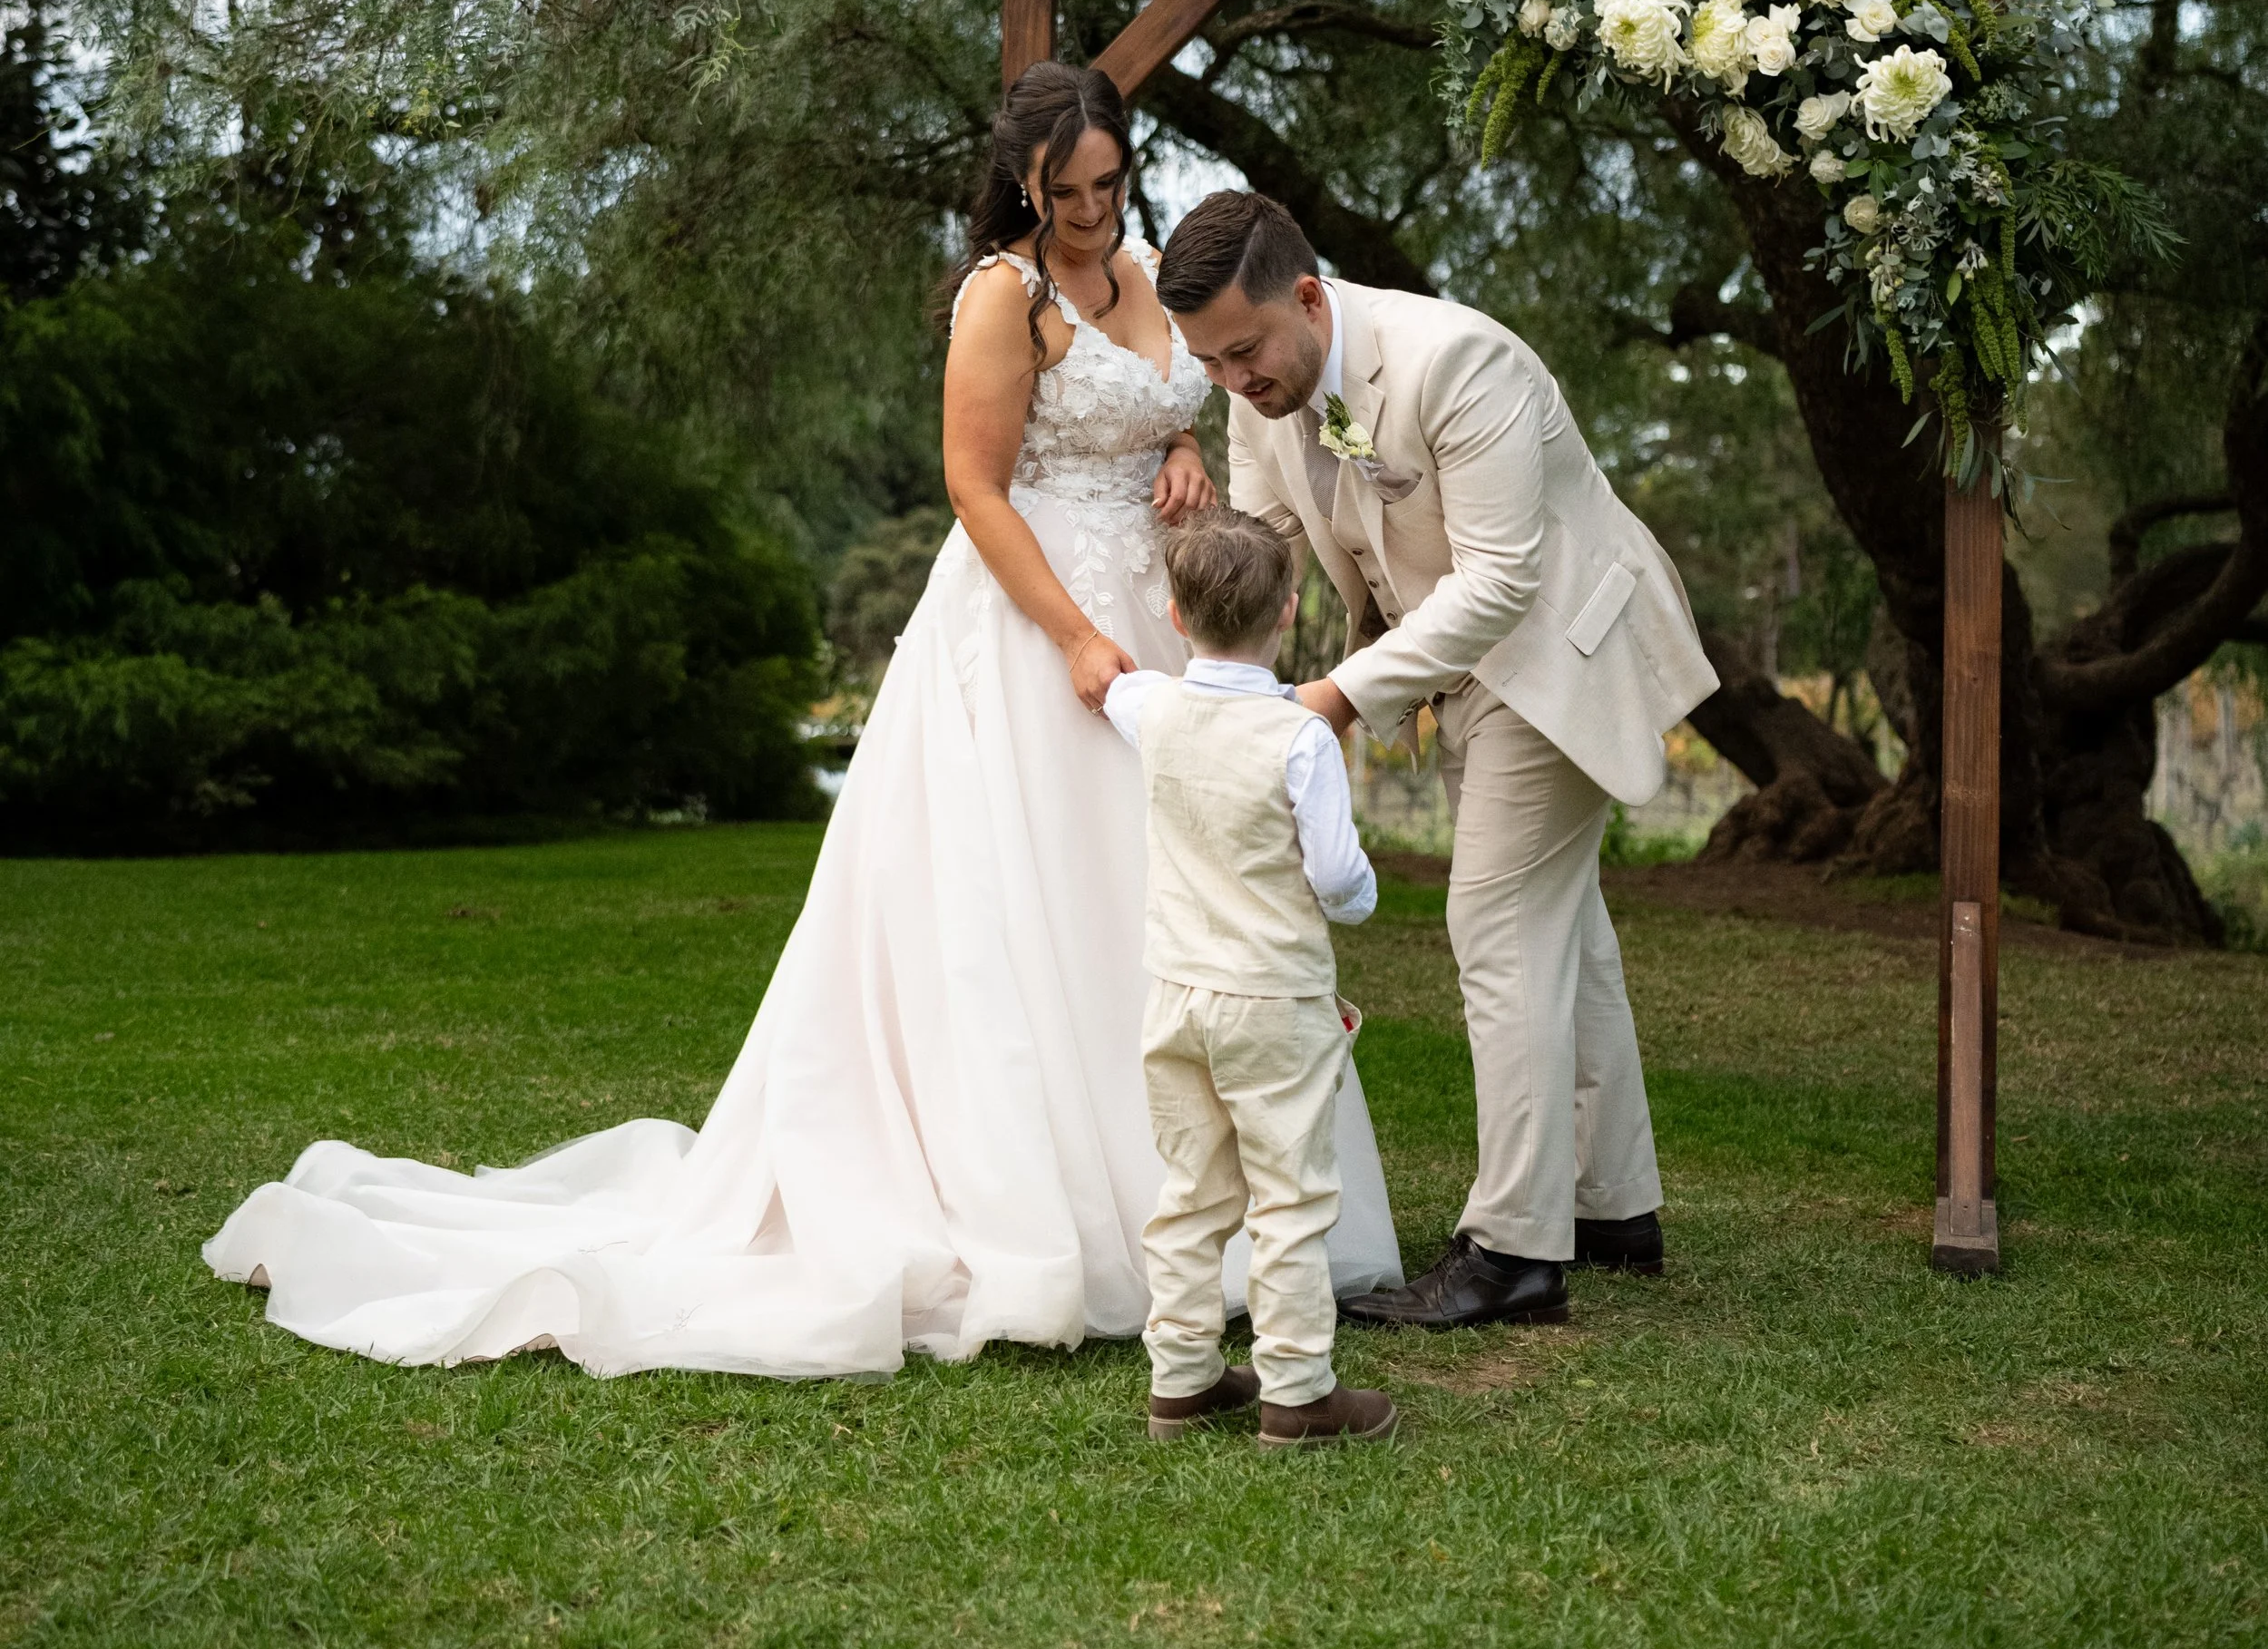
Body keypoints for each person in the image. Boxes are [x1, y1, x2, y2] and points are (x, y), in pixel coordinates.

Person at [203, 70, 1401, 1376]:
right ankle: (1047, 1211)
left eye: (1110, 185)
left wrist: (1186, 458)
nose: (1094, 213)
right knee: (1029, 902)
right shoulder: (1005, 297)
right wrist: (1071, 635)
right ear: (1023, 187)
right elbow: (973, 483)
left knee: (1164, 892)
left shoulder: (1158, 268)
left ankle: (1210, 1214)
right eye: (1067, 195)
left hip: (1159, 609)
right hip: (1031, 620)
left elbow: (1192, 401)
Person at [1157, 190, 1718, 1332]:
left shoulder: (1460, 362)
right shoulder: (1259, 395)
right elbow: (1267, 549)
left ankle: (1511, 1249)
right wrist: (1229, 678)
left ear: (1308, 298)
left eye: (1247, 349)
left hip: (1556, 649)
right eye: (1209, 364)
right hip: (1457, 667)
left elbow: (1504, 578)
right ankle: (1612, 1206)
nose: (1235, 381)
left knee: (1498, 925)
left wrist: (1332, 701)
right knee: (1571, 935)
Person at [1102, 508, 1397, 1448]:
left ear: (1178, 617)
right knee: (1290, 1196)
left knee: (1191, 1188)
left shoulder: (1151, 707)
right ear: (1290, 610)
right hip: (1273, 998)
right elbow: (1340, 879)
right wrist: (1361, 900)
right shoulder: (1298, 736)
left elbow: (1107, 687)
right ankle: (1297, 1390)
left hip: (1173, 995)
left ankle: (1183, 1376)